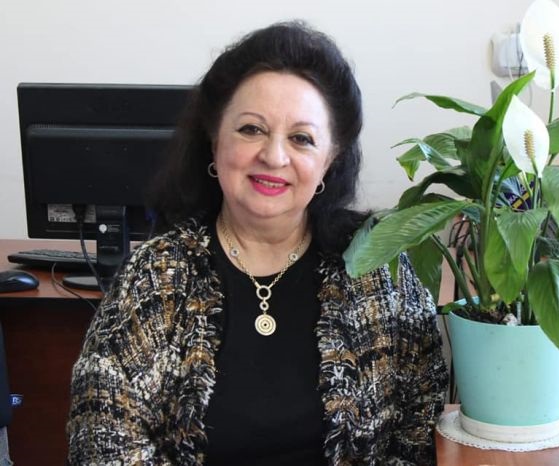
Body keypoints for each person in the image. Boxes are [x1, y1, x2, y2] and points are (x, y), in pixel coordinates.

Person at [67, 21, 449, 465]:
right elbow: (102, 442)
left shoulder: (379, 271)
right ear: (214, 139)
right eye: (251, 129)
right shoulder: (155, 277)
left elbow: (420, 435)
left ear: (330, 160)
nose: (273, 156)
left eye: (301, 138)